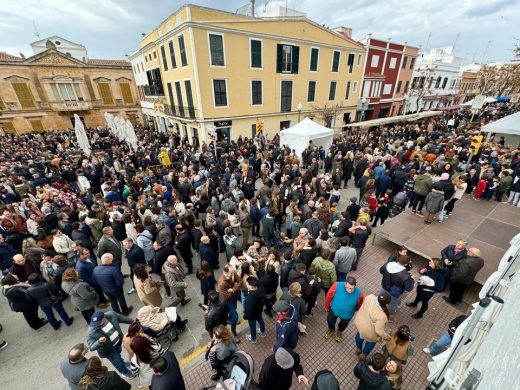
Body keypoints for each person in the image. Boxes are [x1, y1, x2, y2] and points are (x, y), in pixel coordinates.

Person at [86, 311, 134, 379]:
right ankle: (125, 373)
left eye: (98, 322)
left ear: (104, 318)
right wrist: (99, 342)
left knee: (118, 354)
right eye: (94, 323)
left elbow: (122, 318)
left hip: (118, 342)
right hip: (108, 351)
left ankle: (123, 363)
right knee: (117, 362)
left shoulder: (111, 314)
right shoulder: (90, 332)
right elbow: (91, 347)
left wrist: (133, 321)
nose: (96, 325)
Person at [324, 276, 364, 343]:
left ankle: (339, 332)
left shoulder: (360, 293)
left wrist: (353, 310)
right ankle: (331, 330)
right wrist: (327, 306)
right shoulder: (337, 285)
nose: (349, 290)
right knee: (330, 321)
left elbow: (359, 305)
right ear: (345, 283)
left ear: (355, 286)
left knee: (343, 325)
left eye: (352, 288)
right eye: (347, 287)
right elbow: (329, 295)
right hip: (334, 309)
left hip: (347, 314)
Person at [353, 293, 392, 361]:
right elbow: (378, 331)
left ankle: (358, 349)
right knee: (370, 343)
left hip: (360, 323)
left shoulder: (370, 296)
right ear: (386, 304)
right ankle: (363, 356)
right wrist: (387, 337)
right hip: (369, 332)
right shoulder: (382, 316)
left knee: (359, 336)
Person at [217, 264, 241, 337]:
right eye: (231, 273)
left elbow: (239, 281)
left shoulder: (232, 272)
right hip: (228, 301)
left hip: (234, 298)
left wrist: (233, 289)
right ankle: (233, 331)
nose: (233, 274)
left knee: (233, 312)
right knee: (235, 317)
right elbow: (225, 297)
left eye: (233, 272)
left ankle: (230, 320)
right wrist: (234, 289)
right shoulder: (222, 283)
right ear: (226, 272)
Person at [243, 276, 266, 343]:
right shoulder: (261, 288)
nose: (246, 284)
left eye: (247, 283)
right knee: (261, 320)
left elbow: (248, 311)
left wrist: (245, 316)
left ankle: (253, 339)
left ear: (252, 287)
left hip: (252, 315)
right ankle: (263, 332)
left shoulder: (250, 298)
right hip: (259, 310)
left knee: (252, 326)